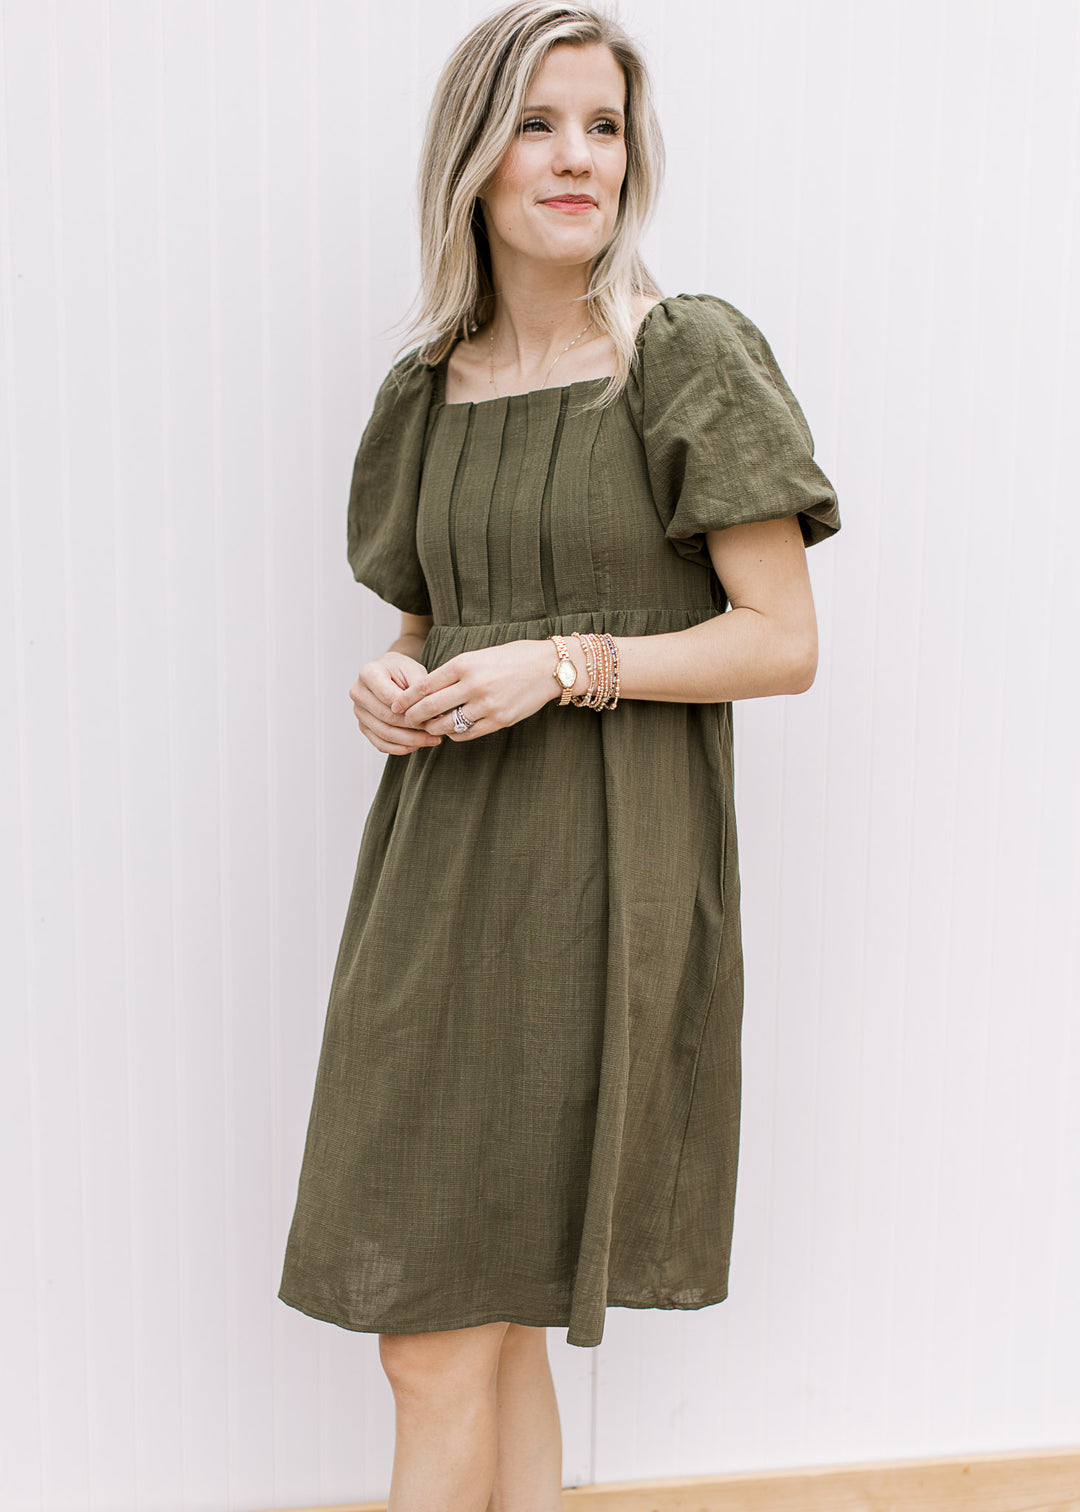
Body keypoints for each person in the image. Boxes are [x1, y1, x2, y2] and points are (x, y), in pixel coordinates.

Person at [278, 2, 841, 1506]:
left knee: (439, 1342)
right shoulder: (425, 390)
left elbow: (781, 638)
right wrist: (392, 684)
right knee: (476, 1317)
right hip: (434, 883)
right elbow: (424, 625)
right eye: (537, 124)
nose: (578, 157)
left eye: (603, 126)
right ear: (470, 157)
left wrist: (568, 664)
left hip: (604, 880)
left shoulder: (683, 354)